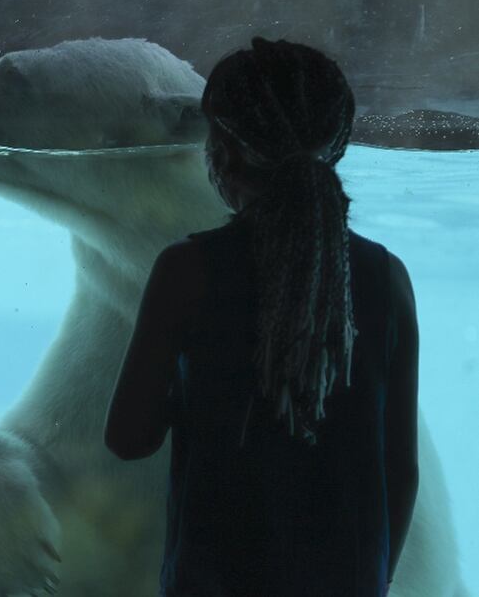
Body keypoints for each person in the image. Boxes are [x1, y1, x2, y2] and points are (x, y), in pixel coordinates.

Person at [103, 38, 419, 597]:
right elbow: (400, 468)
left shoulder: (187, 270)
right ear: (338, 144)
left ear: (222, 151)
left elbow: (129, 437)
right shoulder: (388, 278)